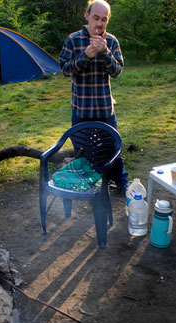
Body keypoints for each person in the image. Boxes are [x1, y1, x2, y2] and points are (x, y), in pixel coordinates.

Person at [59, 0, 128, 190]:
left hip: (105, 109)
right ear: (87, 16)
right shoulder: (73, 40)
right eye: (96, 18)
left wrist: (105, 52)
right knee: (82, 153)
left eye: (104, 20)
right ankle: (88, 187)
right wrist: (85, 56)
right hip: (81, 110)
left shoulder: (111, 41)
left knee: (114, 149)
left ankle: (122, 185)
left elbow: (117, 70)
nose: (99, 24)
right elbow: (65, 70)